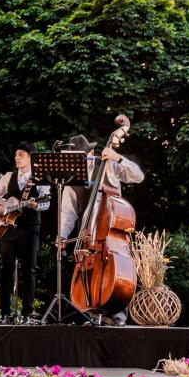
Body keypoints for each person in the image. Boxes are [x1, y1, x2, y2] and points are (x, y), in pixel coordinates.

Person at [57, 127, 145, 324]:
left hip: (111, 237)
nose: (75, 161)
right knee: (89, 271)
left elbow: (138, 177)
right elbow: (68, 212)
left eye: (78, 156)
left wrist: (118, 158)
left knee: (117, 271)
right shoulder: (73, 179)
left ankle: (117, 316)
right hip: (88, 237)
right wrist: (62, 235)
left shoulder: (110, 166)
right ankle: (91, 314)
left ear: (90, 152)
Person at [0, 141, 51, 324]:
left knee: (29, 270)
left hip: (30, 228)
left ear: (31, 158)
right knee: (5, 269)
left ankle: (27, 314)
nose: (16, 158)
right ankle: (4, 313)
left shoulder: (40, 177)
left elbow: (46, 203)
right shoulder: (8, 176)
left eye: (21, 155)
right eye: (16, 155)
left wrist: (36, 204)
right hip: (8, 228)